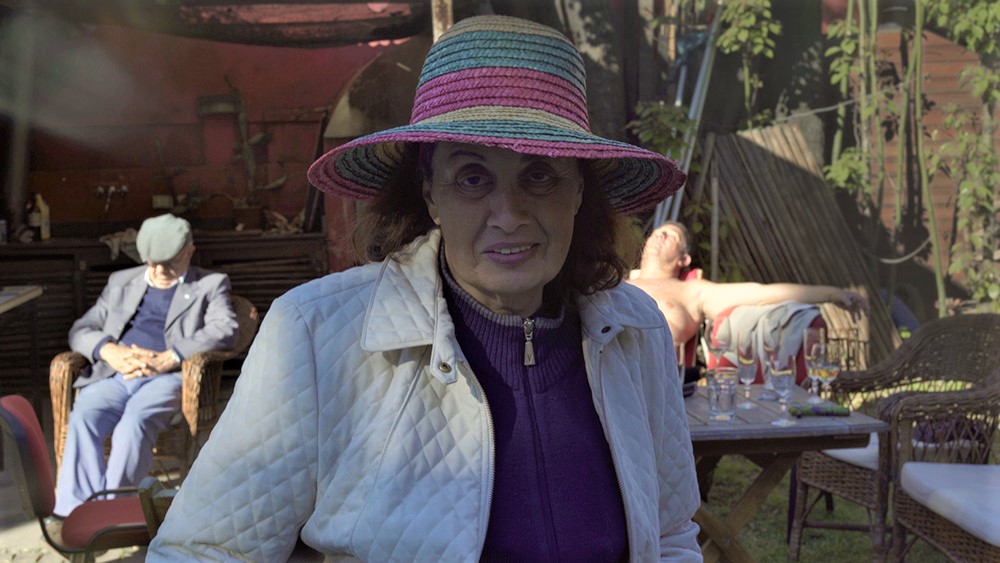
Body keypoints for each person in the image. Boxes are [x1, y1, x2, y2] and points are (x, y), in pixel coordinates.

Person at [148, 15, 702, 561]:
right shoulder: (316, 335)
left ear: (578, 190)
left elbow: (671, 535)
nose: (508, 215)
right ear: (431, 194)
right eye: (472, 178)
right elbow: (201, 550)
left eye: (539, 175)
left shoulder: (635, 330)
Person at [49, 214, 238, 532]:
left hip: (165, 377)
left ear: (189, 250)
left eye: (169, 262)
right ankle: (73, 514)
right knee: (84, 415)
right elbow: (82, 328)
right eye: (152, 262)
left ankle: (112, 515)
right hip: (117, 372)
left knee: (134, 422)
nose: (159, 271)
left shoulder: (210, 284)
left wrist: (170, 357)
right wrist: (108, 350)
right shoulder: (121, 281)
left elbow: (226, 329)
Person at [628, 221, 869, 349]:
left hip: (650, 382)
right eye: (657, 232)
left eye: (671, 236)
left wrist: (831, 293)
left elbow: (762, 293)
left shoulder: (693, 291)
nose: (660, 235)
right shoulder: (618, 282)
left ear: (684, 259)